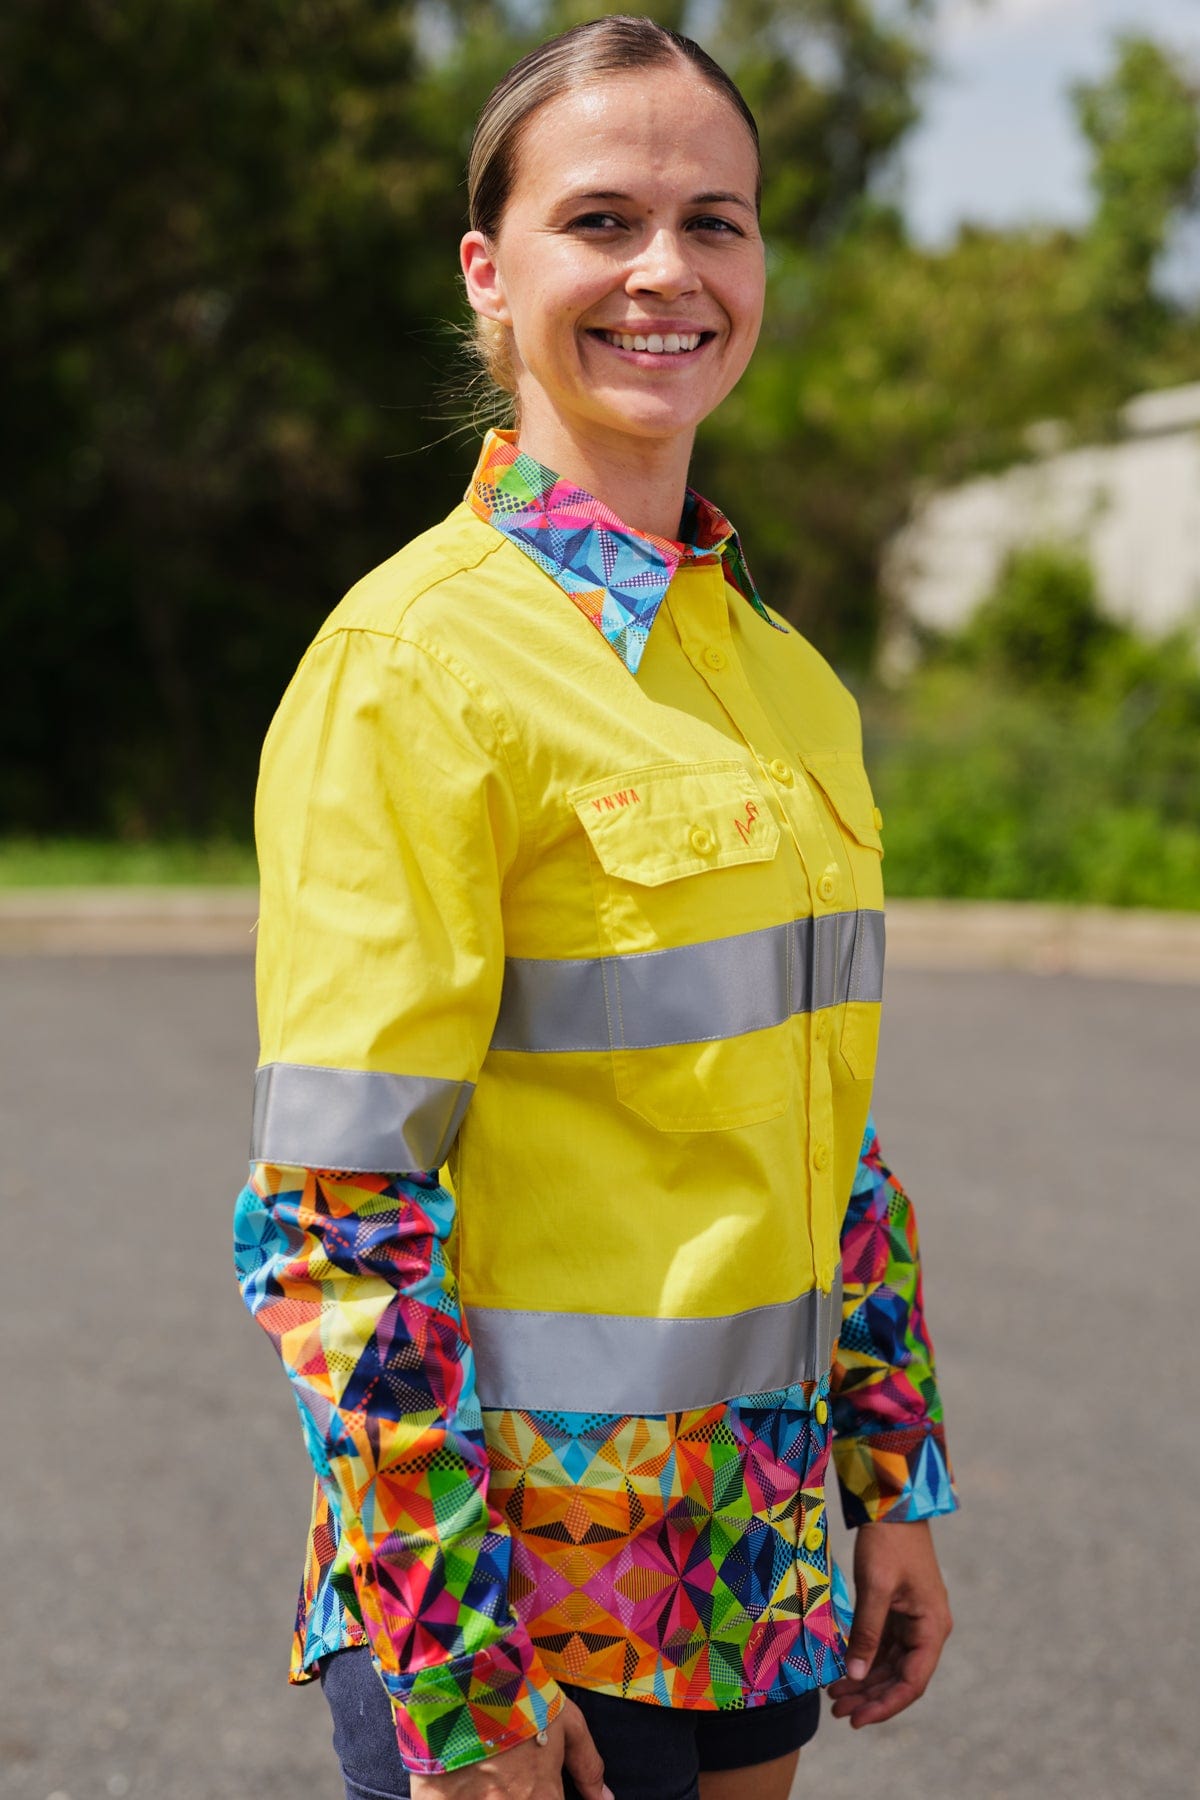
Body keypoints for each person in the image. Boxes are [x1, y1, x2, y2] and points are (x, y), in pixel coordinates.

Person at [233, 17, 957, 1800]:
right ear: (491, 274)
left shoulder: (780, 676)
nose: (667, 271)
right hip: (523, 1606)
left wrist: (895, 1478)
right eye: (603, 220)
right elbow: (337, 1215)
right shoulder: (410, 666)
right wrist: (452, 1654)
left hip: (751, 1571)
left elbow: (825, 1137)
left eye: (716, 221)